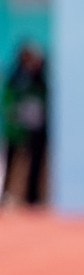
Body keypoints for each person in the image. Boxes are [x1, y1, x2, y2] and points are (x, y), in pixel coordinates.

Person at [2, 44, 48, 206]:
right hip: (16, 129)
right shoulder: (15, 77)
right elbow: (9, 101)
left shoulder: (41, 78)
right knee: (11, 161)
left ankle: (32, 197)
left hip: (37, 130)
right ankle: (5, 194)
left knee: (35, 164)